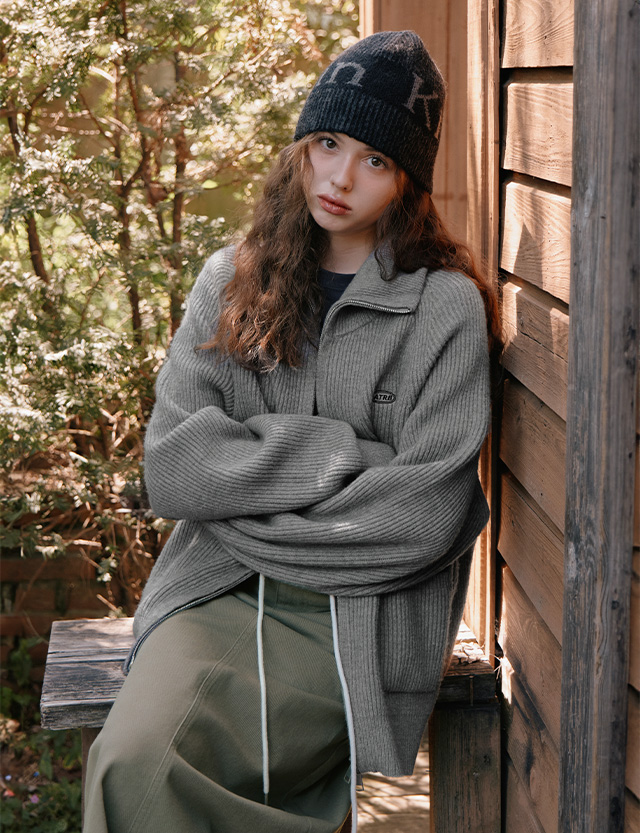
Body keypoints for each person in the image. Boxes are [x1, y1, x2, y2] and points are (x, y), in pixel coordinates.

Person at [83, 30, 501, 833]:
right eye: (330, 143)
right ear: (302, 146)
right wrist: (352, 457)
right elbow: (174, 468)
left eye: (375, 159)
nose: (341, 178)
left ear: (407, 180)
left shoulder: (442, 308)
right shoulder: (230, 280)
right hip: (216, 589)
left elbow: (428, 514)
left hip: (358, 616)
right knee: (132, 758)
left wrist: (246, 496)